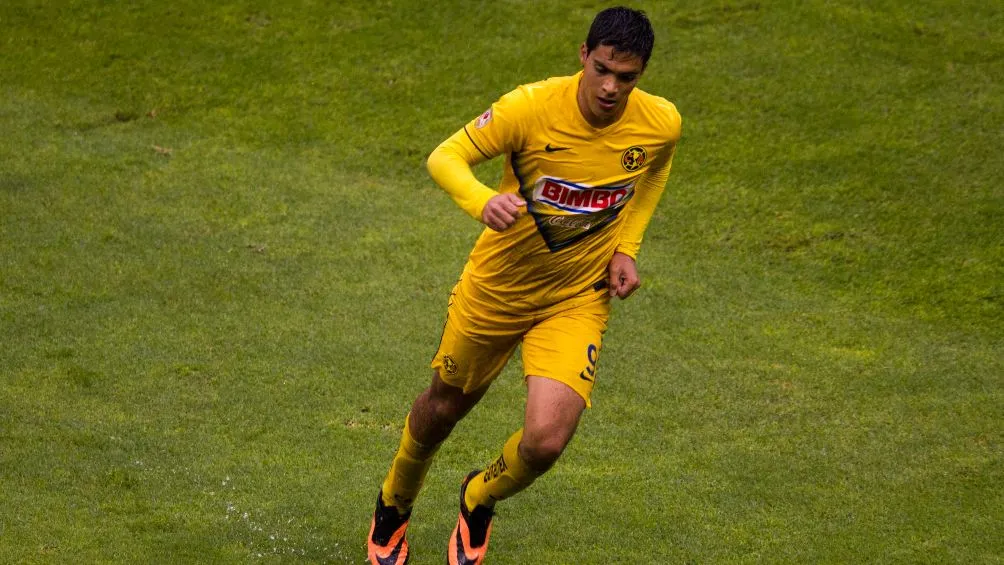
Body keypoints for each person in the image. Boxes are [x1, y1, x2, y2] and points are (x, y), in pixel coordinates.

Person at [367, 6, 681, 564]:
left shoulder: (660, 123)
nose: (611, 87)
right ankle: (395, 500)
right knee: (442, 410)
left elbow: (654, 171)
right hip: (497, 291)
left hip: (575, 298)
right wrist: (481, 199)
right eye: (602, 69)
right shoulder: (530, 107)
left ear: (642, 74)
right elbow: (445, 156)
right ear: (583, 56)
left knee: (545, 443)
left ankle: (478, 496)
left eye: (627, 77)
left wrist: (627, 246)